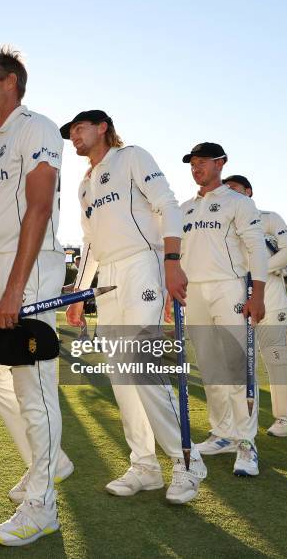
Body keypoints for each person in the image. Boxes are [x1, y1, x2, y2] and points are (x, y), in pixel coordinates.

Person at [0, 47, 72, 547]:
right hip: (2, 265)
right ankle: (49, 461)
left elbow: (39, 209)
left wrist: (16, 290)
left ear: (10, 83)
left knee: (34, 387)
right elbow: (2, 225)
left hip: (35, 268)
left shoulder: (37, 127)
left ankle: (42, 506)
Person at [63, 110, 207, 504]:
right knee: (121, 376)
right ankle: (144, 465)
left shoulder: (132, 157)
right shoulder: (84, 183)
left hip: (143, 263)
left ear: (103, 127)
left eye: (80, 128)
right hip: (107, 278)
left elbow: (168, 205)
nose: (73, 136)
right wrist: (80, 293)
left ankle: (187, 460)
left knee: (140, 367)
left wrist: (172, 263)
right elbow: (89, 242)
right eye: (70, 132)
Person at [180, 143, 268, 476]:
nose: (196, 167)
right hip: (194, 293)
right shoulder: (185, 208)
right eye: (192, 163)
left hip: (228, 287)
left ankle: (246, 443)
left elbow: (256, 248)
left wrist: (256, 293)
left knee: (236, 368)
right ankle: (223, 434)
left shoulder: (239, 203)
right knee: (211, 367)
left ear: (221, 163)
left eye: (202, 162)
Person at [222, 175, 287, 437]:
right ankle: (243, 419)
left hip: (271, 301)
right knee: (238, 363)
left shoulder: (268, 218)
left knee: (277, 358)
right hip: (235, 303)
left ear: (249, 192)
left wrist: (260, 269)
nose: (229, 193)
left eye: (234, 189)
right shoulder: (223, 225)